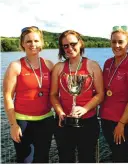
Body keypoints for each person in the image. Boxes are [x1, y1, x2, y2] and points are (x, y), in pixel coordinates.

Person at [50, 30, 104, 163]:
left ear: (80, 43)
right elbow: (53, 94)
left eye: (73, 44)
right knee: (65, 159)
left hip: (88, 123)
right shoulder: (59, 67)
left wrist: (85, 109)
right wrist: (60, 112)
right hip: (64, 122)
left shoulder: (92, 66)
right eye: (65, 46)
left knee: (87, 159)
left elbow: (100, 94)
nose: (70, 48)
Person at [3, 26, 55, 163]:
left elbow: (58, 92)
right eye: (28, 41)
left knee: (43, 159)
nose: (33, 44)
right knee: (25, 160)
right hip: (23, 122)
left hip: (46, 120)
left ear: (42, 43)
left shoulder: (49, 65)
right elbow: (8, 96)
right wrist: (13, 125)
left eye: (36, 41)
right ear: (22, 44)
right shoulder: (15, 66)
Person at [99, 26, 128, 162]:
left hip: (124, 121)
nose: (117, 45)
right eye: (114, 42)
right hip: (106, 118)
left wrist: (121, 123)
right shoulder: (108, 63)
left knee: (121, 156)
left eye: (121, 42)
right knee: (115, 153)